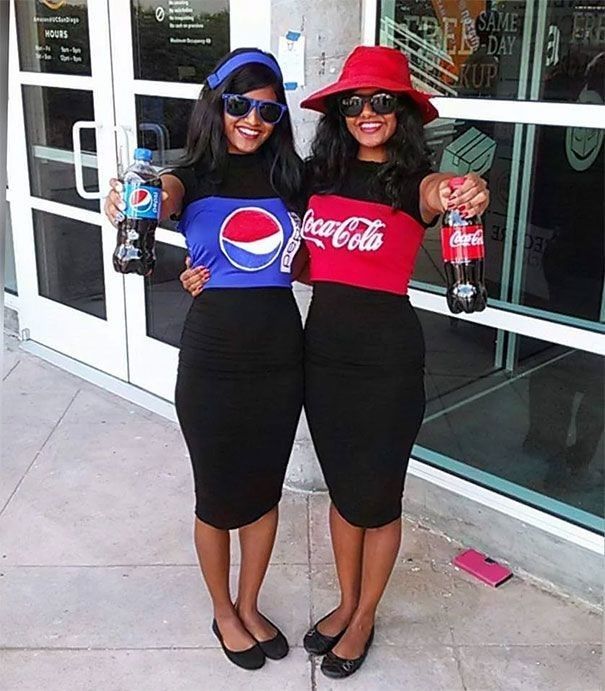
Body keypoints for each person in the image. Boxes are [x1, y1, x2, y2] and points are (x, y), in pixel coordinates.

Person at [181, 45, 489, 679]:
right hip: (316, 358)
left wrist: (468, 189)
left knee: (377, 498)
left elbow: (443, 191)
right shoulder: (315, 177)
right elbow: (288, 253)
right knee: (344, 494)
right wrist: (197, 271)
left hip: (386, 362)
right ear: (339, 113)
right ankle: (345, 603)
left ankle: (365, 614)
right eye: (355, 102)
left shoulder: (410, 183)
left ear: (403, 112)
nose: (368, 112)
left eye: (382, 102)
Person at [104, 47, 305, 671]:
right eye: (239, 105)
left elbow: (321, 237)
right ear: (217, 105)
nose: (252, 120)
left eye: (268, 111)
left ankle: (249, 603)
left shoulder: (292, 177)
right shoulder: (190, 174)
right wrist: (127, 198)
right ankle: (223, 611)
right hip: (213, 357)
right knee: (217, 495)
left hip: (280, 351)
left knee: (265, 492)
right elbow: (157, 198)